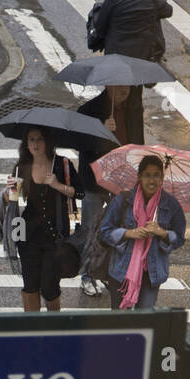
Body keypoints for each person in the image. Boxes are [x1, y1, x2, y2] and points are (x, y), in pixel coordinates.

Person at [92, 0, 173, 145]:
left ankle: (111, 142)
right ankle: (135, 145)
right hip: (139, 63)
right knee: (135, 103)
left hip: (116, 62)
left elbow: (100, 26)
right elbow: (168, 10)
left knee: (113, 103)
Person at [100, 155, 186, 310]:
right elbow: (105, 231)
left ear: (162, 177)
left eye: (156, 175)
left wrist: (162, 233)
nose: (152, 180)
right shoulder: (123, 200)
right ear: (139, 177)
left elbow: (179, 238)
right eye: (147, 175)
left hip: (152, 273)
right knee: (120, 320)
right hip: (121, 271)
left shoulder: (171, 205)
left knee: (144, 319)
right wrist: (128, 233)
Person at [10, 127, 77, 312]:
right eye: (31, 139)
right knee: (30, 284)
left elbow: (79, 192)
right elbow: (12, 199)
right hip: (27, 234)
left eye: (39, 139)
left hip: (55, 235)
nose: (35, 144)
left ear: (48, 141)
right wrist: (10, 192)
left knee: (49, 285)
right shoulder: (21, 167)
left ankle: (53, 326)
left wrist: (57, 185)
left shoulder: (63, 165)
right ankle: (32, 330)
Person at [73, 88, 113, 297]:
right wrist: (102, 133)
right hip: (94, 182)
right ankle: (87, 276)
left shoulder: (131, 109)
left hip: (119, 181)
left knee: (116, 229)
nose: (125, 92)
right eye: (120, 88)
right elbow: (81, 145)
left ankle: (106, 273)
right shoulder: (88, 111)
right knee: (91, 228)